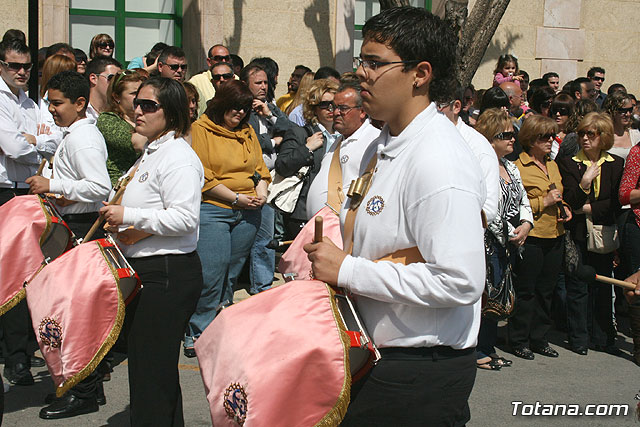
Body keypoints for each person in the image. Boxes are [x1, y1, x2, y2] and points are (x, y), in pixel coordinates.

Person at [304, 7, 485, 425]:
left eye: (375, 63)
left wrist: (348, 270)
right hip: (373, 352)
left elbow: (461, 281)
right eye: (361, 61)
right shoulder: (379, 143)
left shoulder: (439, 159)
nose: (362, 74)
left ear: (420, 74)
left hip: (419, 371)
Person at [99, 77, 204, 426]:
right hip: (148, 270)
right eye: (137, 103)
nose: (138, 110)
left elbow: (185, 219)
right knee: (149, 370)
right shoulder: (153, 151)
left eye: (149, 105)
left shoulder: (178, 157)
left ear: (171, 112)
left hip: (168, 273)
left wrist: (127, 215)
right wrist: (125, 226)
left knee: (151, 372)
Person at [26, 70, 112, 419]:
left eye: (57, 103)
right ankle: (85, 386)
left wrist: (53, 186)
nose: (51, 110)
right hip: (72, 226)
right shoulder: (74, 134)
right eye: (48, 102)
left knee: (72, 314)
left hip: (79, 229)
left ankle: (83, 392)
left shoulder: (82, 139)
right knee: (73, 312)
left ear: (80, 103)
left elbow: (99, 187)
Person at [185, 80, 270, 356]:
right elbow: (203, 176)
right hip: (214, 209)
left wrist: (262, 192)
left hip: (248, 210)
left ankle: (220, 324)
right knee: (212, 273)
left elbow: (259, 169)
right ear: (221, 103)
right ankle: (197, 330)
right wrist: (235, 199)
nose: (241, 113)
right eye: (235, 107)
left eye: (245, 108)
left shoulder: (247, 131)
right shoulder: (200, 130)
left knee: (231, 274)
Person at [0, 39, 56, 387]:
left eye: (26, 67)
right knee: (8, 274)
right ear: (1, 65)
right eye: (14, 66)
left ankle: (18, 354)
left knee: (24, 275)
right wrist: (35, 142)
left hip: (28, 190)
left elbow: (54, 140)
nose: (22, 72)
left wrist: (33, 141)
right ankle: (14, 355)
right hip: (5, 191)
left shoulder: (30, 102)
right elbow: (13, 147)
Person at [557, 112, 623, 356]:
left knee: (603, 285)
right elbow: (569, 199)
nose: (584, 138)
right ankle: (579, 339)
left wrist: (586, 207)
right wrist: (584, 184)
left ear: (603, 137)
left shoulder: (616, 164)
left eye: (590, 134)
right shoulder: (568, 163)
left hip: (603, 232)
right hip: (577, 234)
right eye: (582, 133)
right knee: (577, 286)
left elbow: (615, 202)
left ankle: (604, 337)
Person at [508, 115, 572, 360]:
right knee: (527, 291)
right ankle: (519, 339)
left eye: (551, 136)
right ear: (530, 139)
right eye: (544, 137)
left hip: (555, 234)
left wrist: (563, 207)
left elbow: (559, 194)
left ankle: (539, 338)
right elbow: (515, 204)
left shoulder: (553, 165)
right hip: (532, 235)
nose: (549, 141)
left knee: (547, 290)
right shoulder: (518, 166)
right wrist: (541, 202)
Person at [474, 108, 533, 370]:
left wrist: (527, 224)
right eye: (506, 135)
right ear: (489, 137)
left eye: (513, 134)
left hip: (507, 244)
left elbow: (523, 200)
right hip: (487, 243)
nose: (513, 139)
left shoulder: (511, 166)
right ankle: (478, 350)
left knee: (500, 298)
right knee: (486, 298)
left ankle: (487, 346)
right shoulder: (480, 167)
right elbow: (487, 209)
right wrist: (511, 234)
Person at [305, 80, 380, 218]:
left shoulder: (374, 141)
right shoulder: (339, 140)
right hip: (321, 228)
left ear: (362, 111)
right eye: (334, 107)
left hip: (343, 229)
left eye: (343, 108)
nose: (336, 113)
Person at [276, 78, 338, 239]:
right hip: (304, 213)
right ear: (313, 108)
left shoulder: (344, 137)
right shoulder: (300, 133)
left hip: (335, 211)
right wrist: (307, 148)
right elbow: (282, 165)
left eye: (334, 104)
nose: (330, 109)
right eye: (324, 104)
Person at [438, 83, 500, 223]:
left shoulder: (478, 148)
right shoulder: (419, 139)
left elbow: (488, 208)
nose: (430, 111)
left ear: (456, 107)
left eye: (439, 105)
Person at [96, 69, 148, 184]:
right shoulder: (107, 119)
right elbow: (138, 143)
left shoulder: (146, 118)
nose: (139, 98)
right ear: (116, 97)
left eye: (141, 93)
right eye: (134, 93)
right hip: (117, 187)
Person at [188, 44, 232, 115]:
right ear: (209, 62)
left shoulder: (237, 79)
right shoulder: (196, 81)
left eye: (226, 58)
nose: (223, 61)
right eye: (218, 58)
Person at [604, 92, 640, 163]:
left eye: (630, 110)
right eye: (623, 111)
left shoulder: (635, 135)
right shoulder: (602, 136)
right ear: (612, 111)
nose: (628, 114)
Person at [85, 56, 123, 121]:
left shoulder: (121, 113)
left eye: (118, 79)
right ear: (93, 78)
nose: (115, 83)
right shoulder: (79, 111)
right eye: (111, 78)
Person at [549, 93, 575, 159]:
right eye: (554, 111)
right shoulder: (547, 134)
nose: (557, 114)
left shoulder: (575, 136)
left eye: (562, 111)